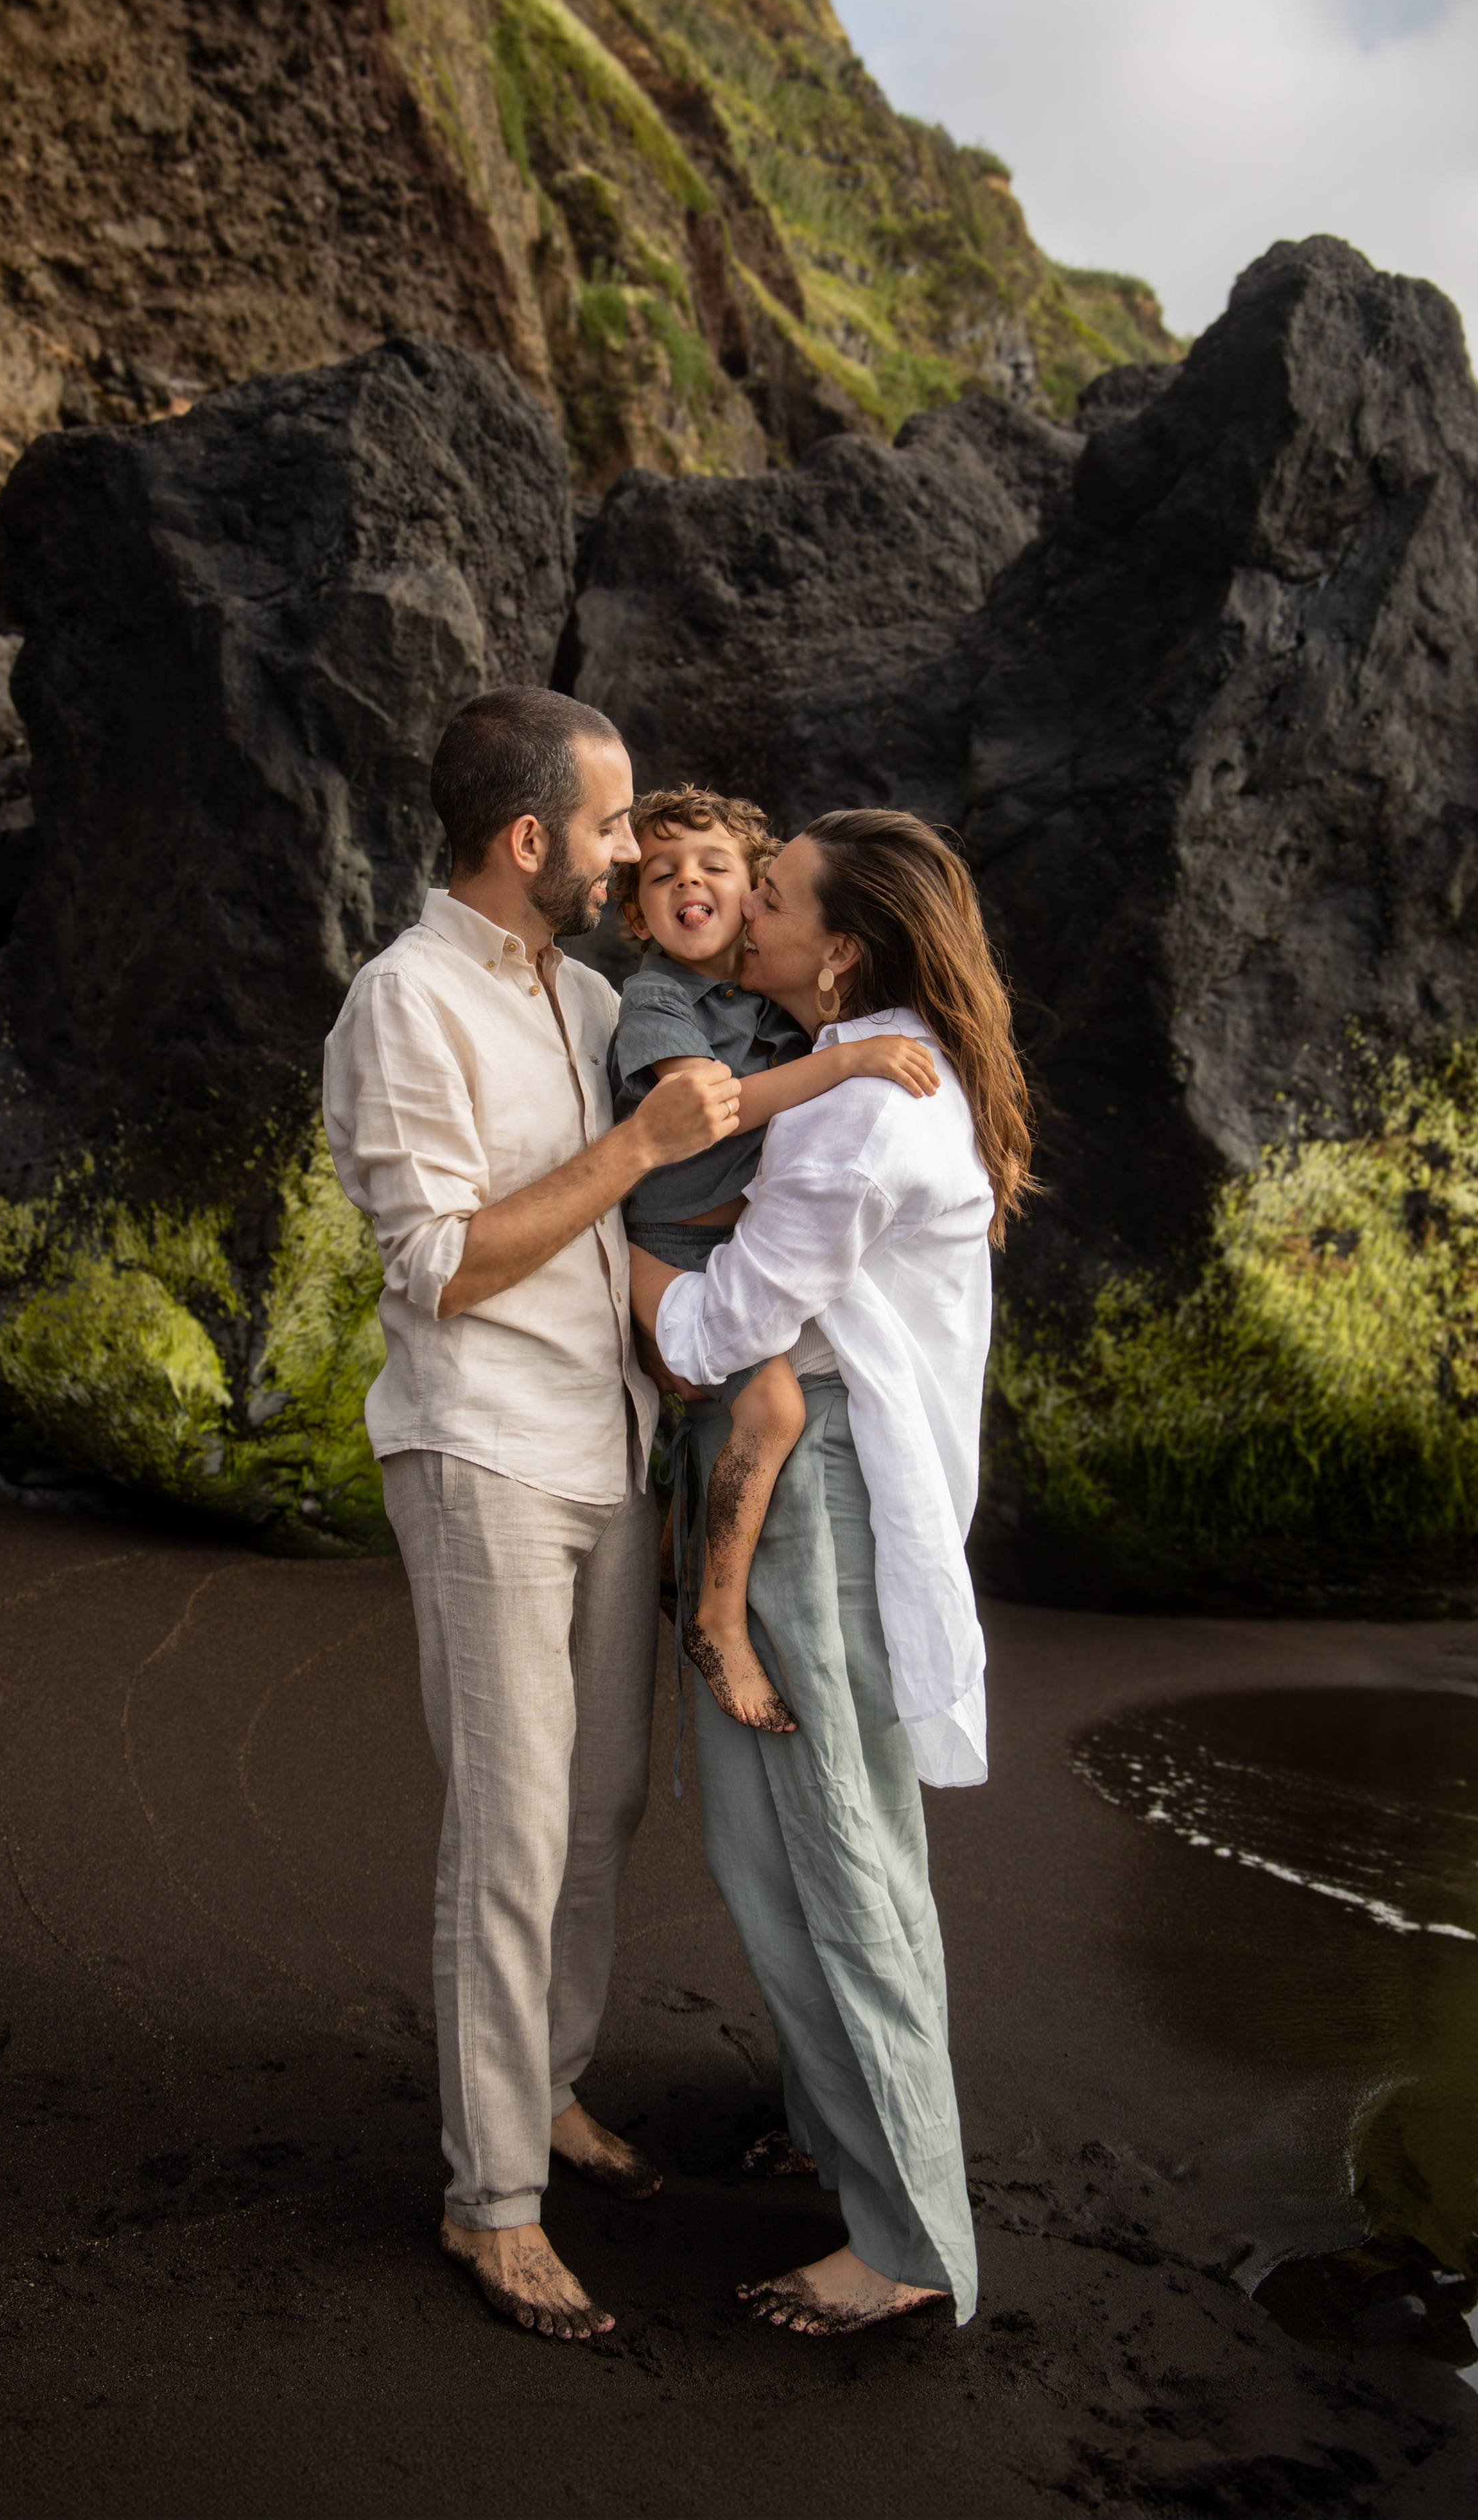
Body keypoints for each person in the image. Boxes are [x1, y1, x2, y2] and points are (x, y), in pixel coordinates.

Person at [323, 685, 742, 2343]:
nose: (632, 848)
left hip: (605, 1443)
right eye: (611, 823)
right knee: (507, 1831)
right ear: (526, 841)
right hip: (480, 1450)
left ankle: (552, 2085)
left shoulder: (590, 990)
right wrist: (634, 1141)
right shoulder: (401, 1002)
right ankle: (490, 2197)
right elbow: (440, 1266)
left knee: (606, 1801)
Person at [629, 808, 1034, 2338]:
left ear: (842, 944)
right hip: (837, 1489)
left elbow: (717, 1334)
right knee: (813, 1847)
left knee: (825, 1859)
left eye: (776, 897)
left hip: (817, 1504)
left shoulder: (862, 1107)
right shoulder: (882, 1071)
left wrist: (625, 1255)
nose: (747, 917)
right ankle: (833, 2129)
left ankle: (912, 2237)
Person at [607, 784, 938, 1734]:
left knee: (730, 1413)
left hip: (727, 1246)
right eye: (661, 875)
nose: (690, 884)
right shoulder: (657, 996)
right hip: (670, 1241)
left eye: (716, 868)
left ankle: (682, 1567)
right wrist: (845, 1061)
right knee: (773, 1405)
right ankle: (717, 1619)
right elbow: (707, 1112)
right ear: (637, 912)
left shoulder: (771, 1005)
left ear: (754, 893)